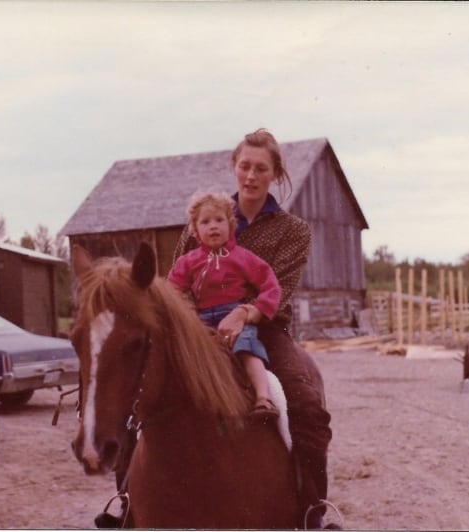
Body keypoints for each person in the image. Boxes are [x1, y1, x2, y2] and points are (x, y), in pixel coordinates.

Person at [95, 128, 336, 530]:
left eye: (261, 168)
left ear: (275, 173)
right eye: (244, 166)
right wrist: (193, 329)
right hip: (197, 328)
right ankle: (126, 501)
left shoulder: (293, 231)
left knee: (306, 404)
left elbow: (280, 288)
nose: (251, 175)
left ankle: (312, 508)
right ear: (234, 167)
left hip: (265, 328)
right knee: (141, 390)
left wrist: (243, 314)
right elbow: (176, 287)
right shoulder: (206, 219)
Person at [167, 190, 281, 422]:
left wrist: (256, 310)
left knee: (247, 349)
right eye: (205, 222)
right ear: (195, 229)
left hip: (235, 314)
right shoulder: (188, 261)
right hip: (201, 319)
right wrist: (185, 311)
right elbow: (171, 290)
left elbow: (271, 286)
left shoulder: (244, 257)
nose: (213, 226)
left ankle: (263, 398)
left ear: (231, 224)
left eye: (219, 220)